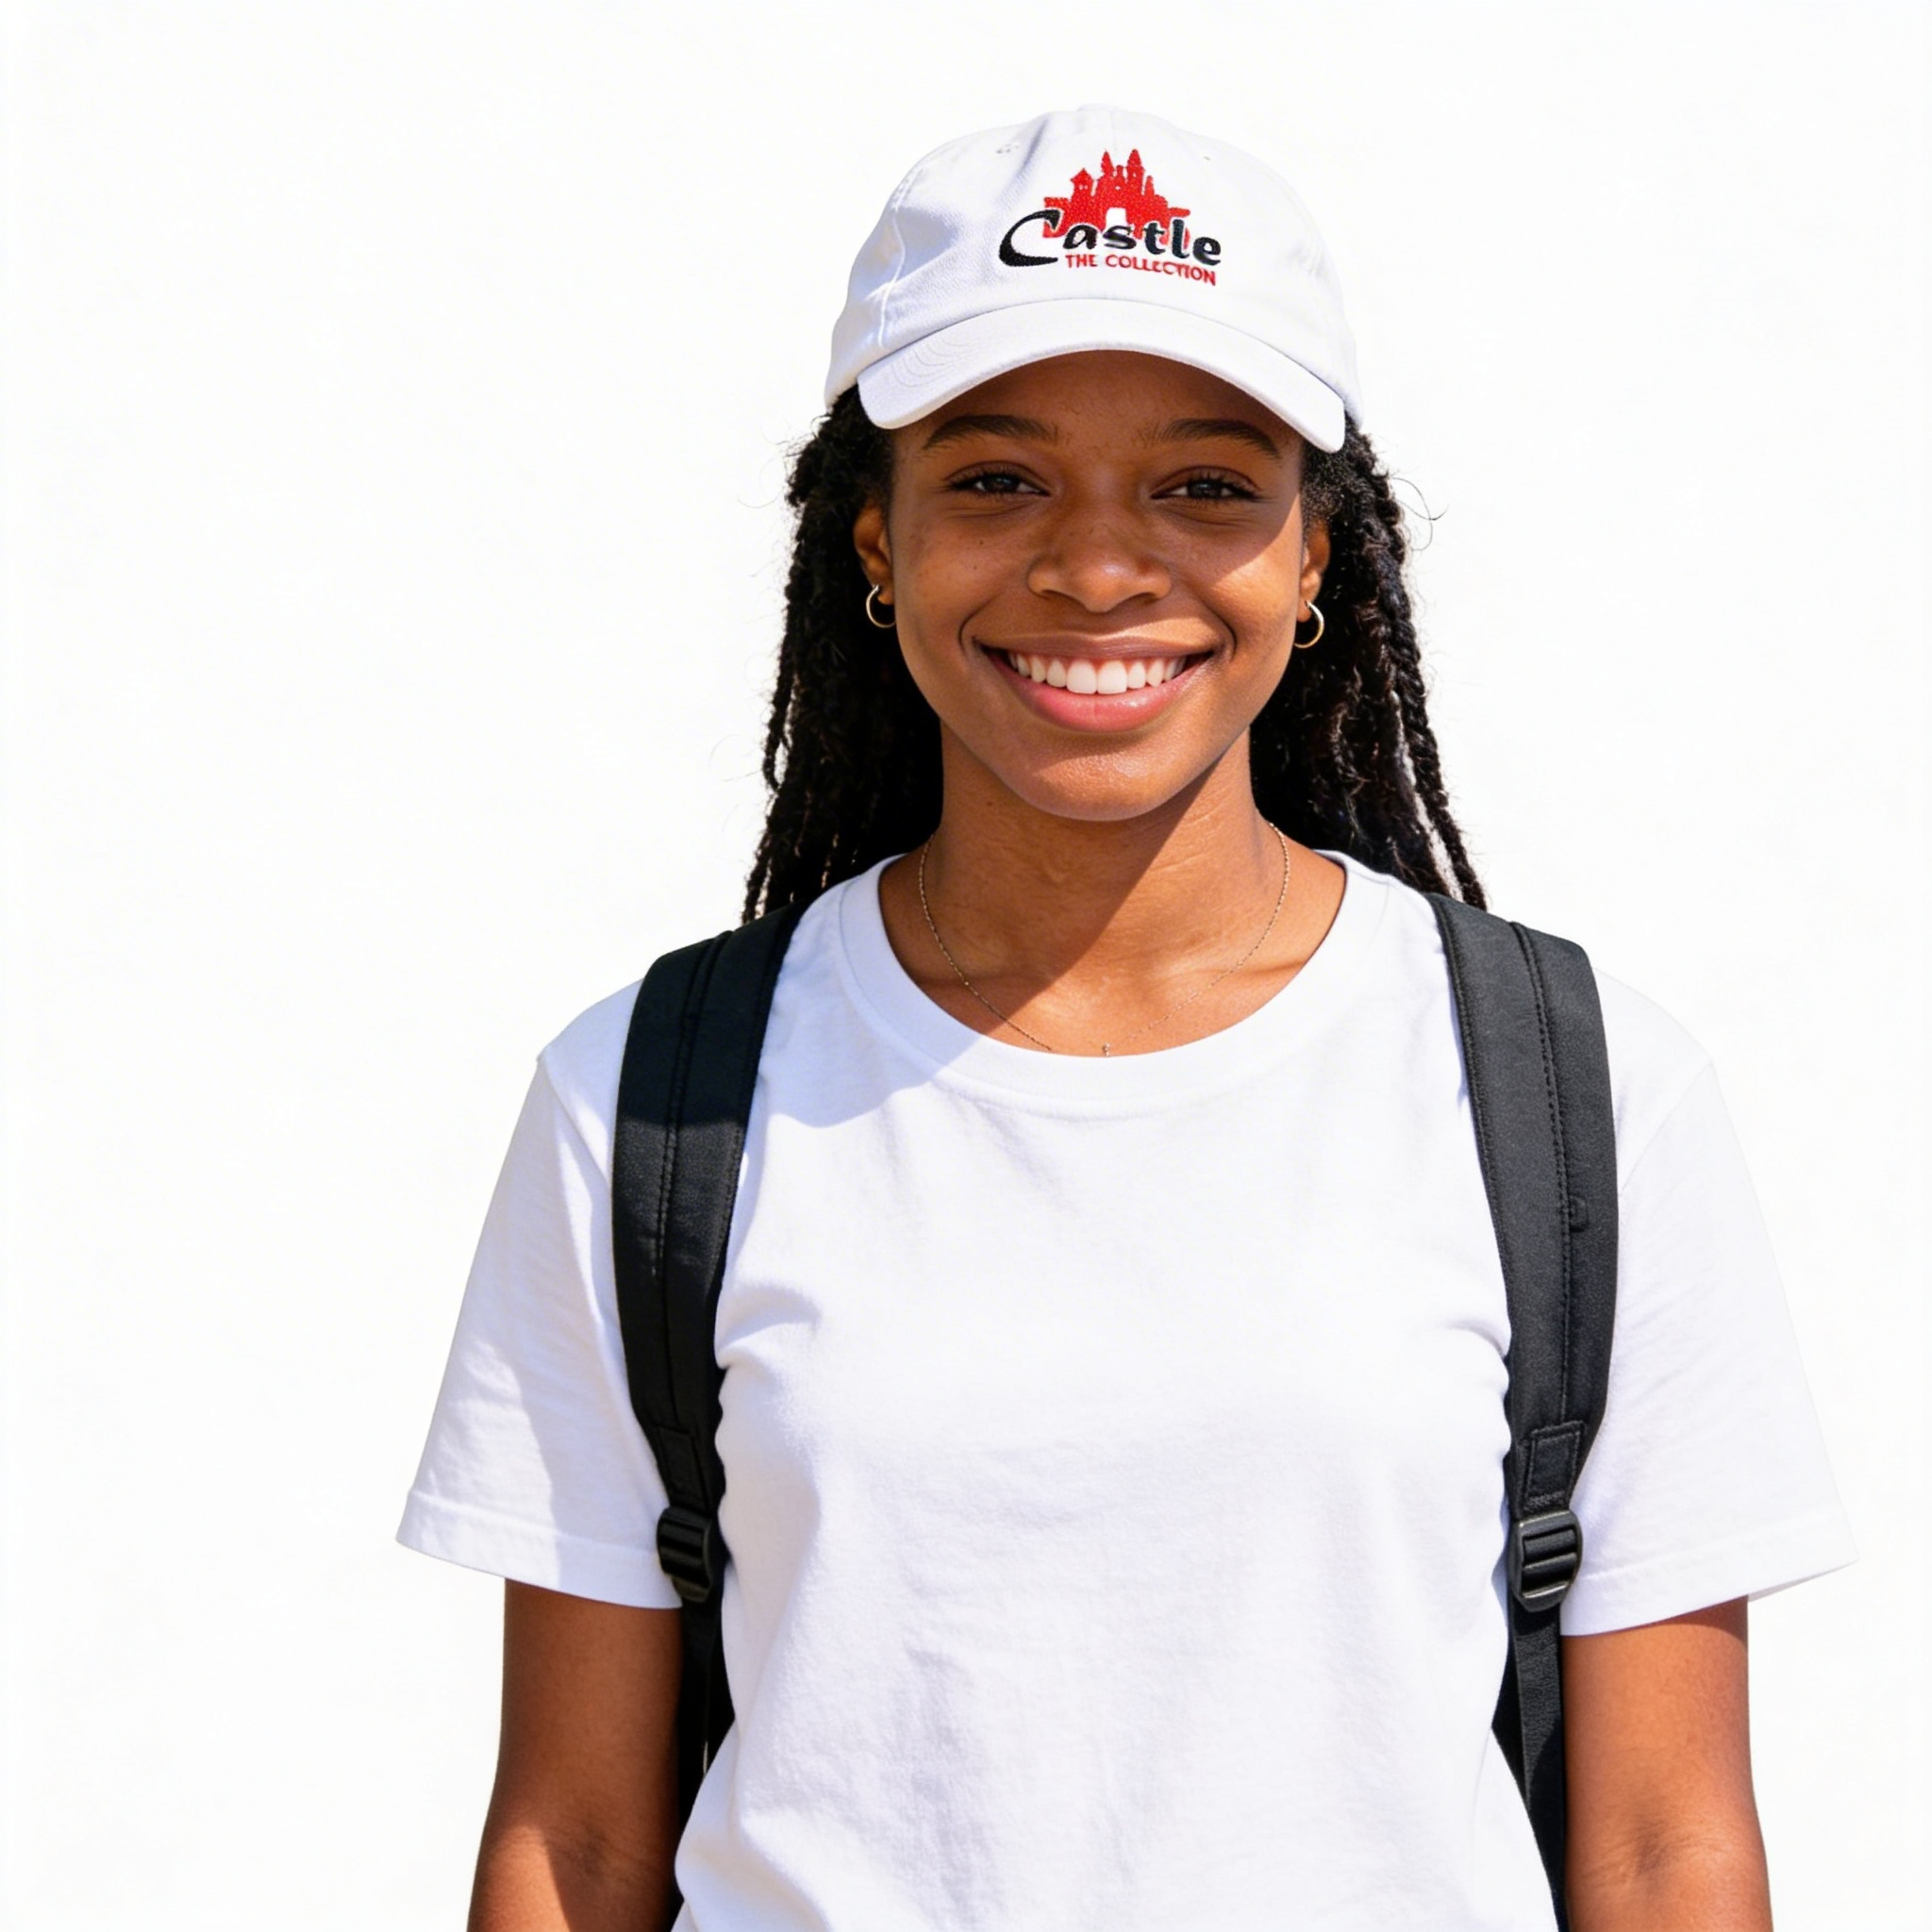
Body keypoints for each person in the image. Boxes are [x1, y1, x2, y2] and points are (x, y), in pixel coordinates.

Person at [399, 106, 1854, 1931]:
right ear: (875, 543)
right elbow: (576, 1844)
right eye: (999, 481)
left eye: (1206, 485)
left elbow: (1665, 1850)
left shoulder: (1577, 1097)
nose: (1099, 572)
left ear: (1317, 557)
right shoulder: (653, 1103)